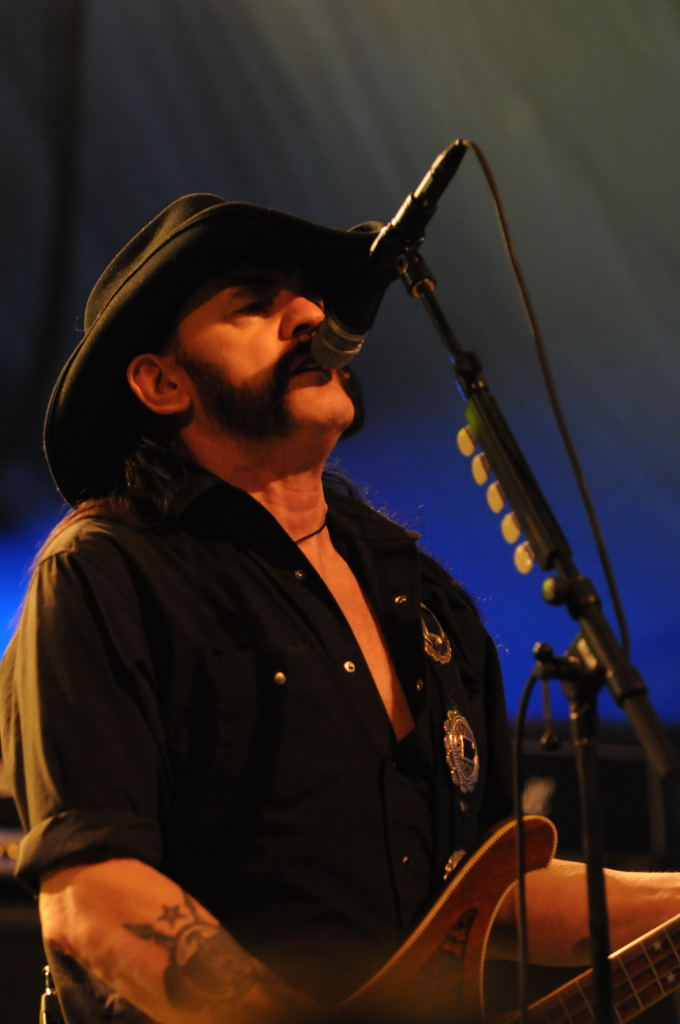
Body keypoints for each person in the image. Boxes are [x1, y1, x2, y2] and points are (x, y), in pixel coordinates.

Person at [1, 193, 679, 1024]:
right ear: (162, 381)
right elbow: (93, 897)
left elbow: (494, 889)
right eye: (255, 305)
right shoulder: (105, 574)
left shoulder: (425, 598)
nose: (312, 316)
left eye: (310, 299)